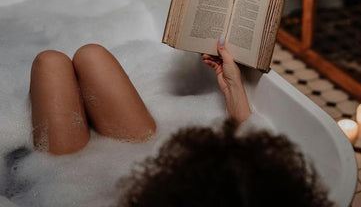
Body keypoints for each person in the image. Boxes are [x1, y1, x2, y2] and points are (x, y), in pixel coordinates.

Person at [29, 39, 332, 206]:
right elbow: (255, 149)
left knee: (49, 62)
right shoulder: (263, 191)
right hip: (146, 159)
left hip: (73, 187)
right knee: (91, 55)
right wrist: (233, 87)